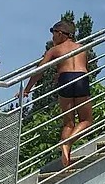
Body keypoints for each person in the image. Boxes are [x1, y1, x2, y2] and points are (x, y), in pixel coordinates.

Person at [20, 20, 93, 168]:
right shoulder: (82, 48)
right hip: (81, 78)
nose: (52, 38)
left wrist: (27, 89)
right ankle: (67, 147)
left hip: (65, 79)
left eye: (53, 34)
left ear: (60, 34)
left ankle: (66, 149)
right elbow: (84, 67)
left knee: (68, 123)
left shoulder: (54, 50)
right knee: (86, 121)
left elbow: (39, 71)